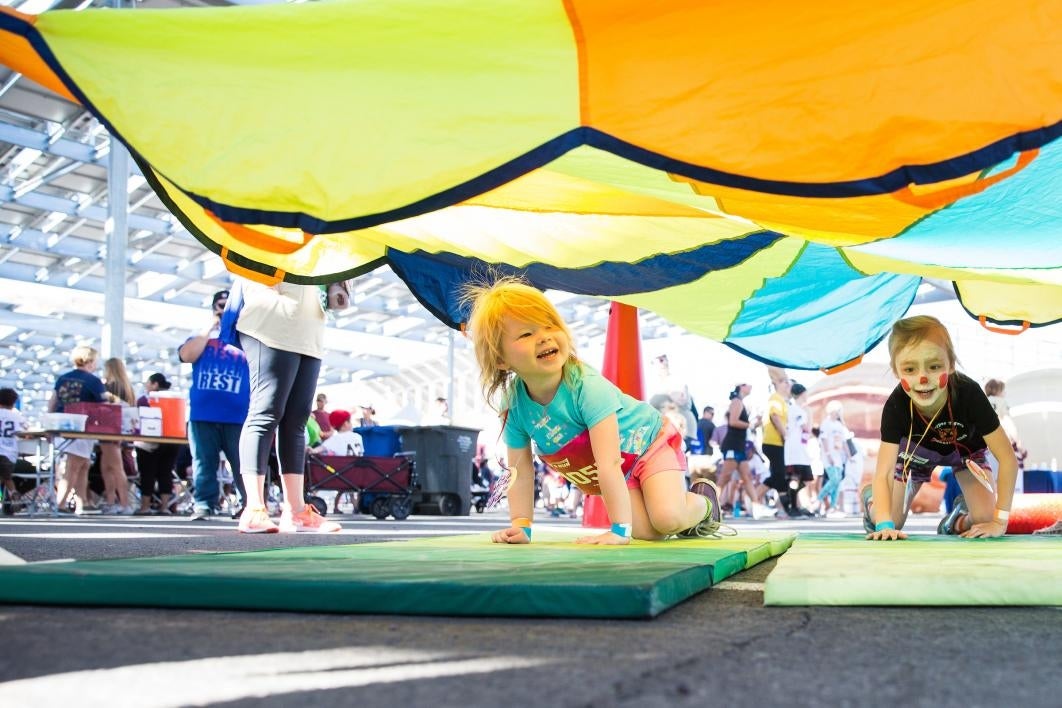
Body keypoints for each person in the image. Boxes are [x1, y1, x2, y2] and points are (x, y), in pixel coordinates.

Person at [460, 275, 724, 544]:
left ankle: (704, 503)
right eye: (527, 333)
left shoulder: (585, 387)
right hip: (623, 466)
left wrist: (618, 530)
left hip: (648, 443)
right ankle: (683, 515)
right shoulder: (514, 406)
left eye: (549, 325)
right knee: (648, 532)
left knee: (667, 518)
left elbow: (607, 462)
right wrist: (521, 524)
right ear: (501, 360)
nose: (544, 337)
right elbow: (520, 470)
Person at [864, 315, 1018, 541]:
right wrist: (885, 524)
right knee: (890, 520)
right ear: (896, 371)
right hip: (913, 458)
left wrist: (999, 522)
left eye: (934, 366)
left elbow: (1007, 459)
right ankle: (870, 500)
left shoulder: (969, 394)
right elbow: (884, 472)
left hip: (966, 455)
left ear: (951, 365)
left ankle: (956, 520)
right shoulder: (896, 405)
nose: (923, 378)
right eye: (909, 369)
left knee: (984, 518)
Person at [233, 279, 350, 534]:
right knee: (265, 413)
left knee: (296, 421)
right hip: (270, 325)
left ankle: (296, 511)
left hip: (309, 333)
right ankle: (253, 508)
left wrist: (337, 287)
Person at [178, 289, 250, 521]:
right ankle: (204, 504)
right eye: (220, 305)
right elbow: (187, 355)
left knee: (242, 462)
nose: (223, 309)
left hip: (237, 414)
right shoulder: (203, 340)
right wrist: (209, 327)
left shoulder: (246, 338)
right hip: (203, 414)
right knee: (203, 462)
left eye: (228, 305)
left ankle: (250, 504)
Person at [50, 344, 114, 514]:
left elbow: (53, 401)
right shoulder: (93, 381)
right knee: (74, 466)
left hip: (60, 424)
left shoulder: (63, 378)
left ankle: (82, 502)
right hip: (82, 427)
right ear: (90, 361)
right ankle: (61, 504)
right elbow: (105, 406)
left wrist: (50, 424)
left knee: (82, 464)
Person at [133, 373, 179, 515]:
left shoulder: (145, 399)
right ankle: (164, 507)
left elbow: (138, 417)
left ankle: (145, 506)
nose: (146, 386)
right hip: (172, 439)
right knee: (166, 473)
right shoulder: (175, 398)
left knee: (147, 474)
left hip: (149, 440)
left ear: (155, 384)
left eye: (148, 382)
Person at [718, 383, 763, 516]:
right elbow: (733, 421)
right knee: (725, 478)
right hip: (732, 445)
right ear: (740, 387)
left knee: (746, 477)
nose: (750, 386)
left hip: (738, 445)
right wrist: (751, 424)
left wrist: (753, 424)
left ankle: (757, 507)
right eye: (746, 384)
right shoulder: (736, 402)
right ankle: (710, 506)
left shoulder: (739, 402)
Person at [98, 357, 136, 514]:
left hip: (109, 428)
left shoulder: (109, 387)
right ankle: (115, 502)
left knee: (113, 467)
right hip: (120, 429)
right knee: (108, 466)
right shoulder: (127, 388)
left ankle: (122, 503)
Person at [762, 372, 792, 516]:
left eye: (787, 382)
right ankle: (782, 509)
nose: (788, 384)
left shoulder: (781, 400)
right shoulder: (775, 399)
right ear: (776, 385)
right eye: (784, 382)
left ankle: (755, 500)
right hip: (773, 442)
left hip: (776, 443)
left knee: (776, 475)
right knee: (779, 475)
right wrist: (785, 435)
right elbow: (774, 416)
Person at [783, 382, 816, 517]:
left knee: (804, 479)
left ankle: (798, 505)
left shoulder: (794, 409)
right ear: (802, 393)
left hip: (799, 449)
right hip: (795, 450)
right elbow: (807, 428)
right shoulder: (796, 409)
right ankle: (793, 506)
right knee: (795, 478)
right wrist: (810, 414)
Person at [817, 400, 850, 516]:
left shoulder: (839, 425)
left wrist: (848, 454)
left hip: (839, 457)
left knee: (837, 482)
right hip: (829, 457)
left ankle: (832, 507)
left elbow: (844, 441)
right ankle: (819, 499)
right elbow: (824, 439)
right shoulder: (826, 423)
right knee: (834, 479)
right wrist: (828, 454)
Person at [0, 387, 27, 514]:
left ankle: (9, 496)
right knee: (7, 477)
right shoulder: (16, 416)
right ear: (14, 402)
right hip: (9, 454)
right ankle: (13, 493)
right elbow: (25, 431)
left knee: (4, 478)